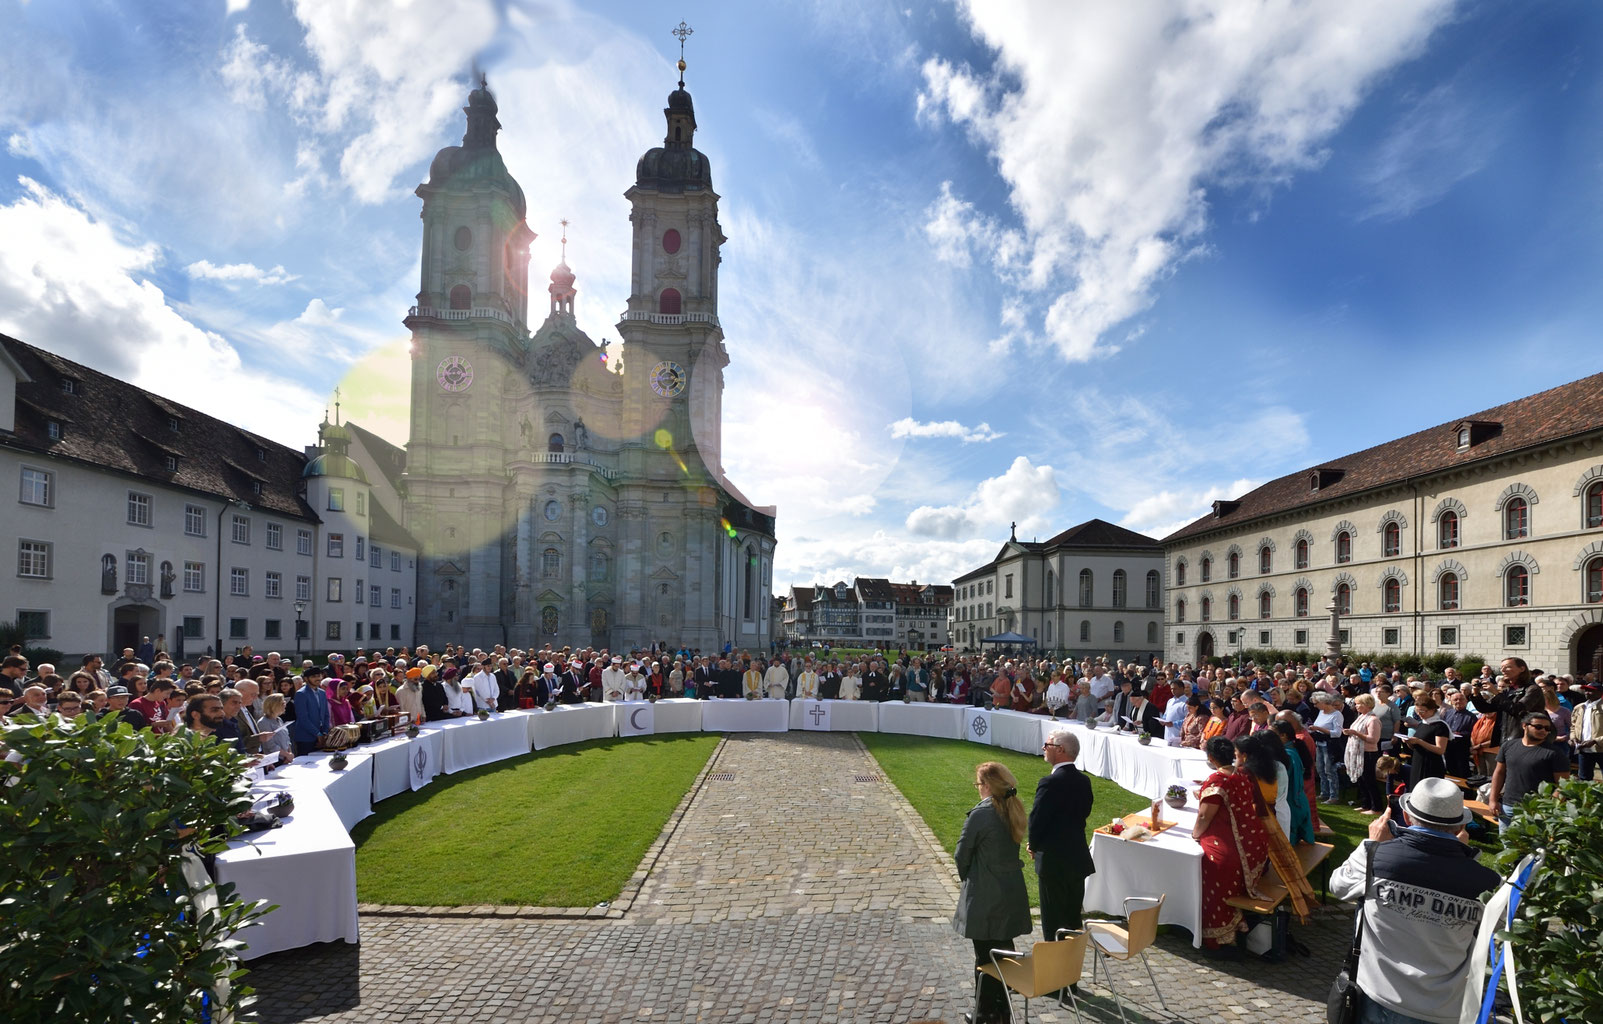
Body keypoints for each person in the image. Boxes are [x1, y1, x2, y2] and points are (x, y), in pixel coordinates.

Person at [1329, 779, 1501, 1024]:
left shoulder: (1375, 857)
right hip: (1442, 1008)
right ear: (1460, 826)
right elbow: (1498, 930)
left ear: (1407, 818)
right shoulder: (1486, 882)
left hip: (1376, 996)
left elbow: (1338, 886)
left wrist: (1370, 844)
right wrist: (1465, 861)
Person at [953, 761, 1033, 1024]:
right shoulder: (1012, 808)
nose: (978, 789)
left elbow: (961, 855)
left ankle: (984, 1014)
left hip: (987, 894)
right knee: (1002, 951)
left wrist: (971, 880)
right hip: (1010, 892)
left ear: (986, 785)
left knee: (986, 956)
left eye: (978, 784)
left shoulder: (983, 813)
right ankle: (1000, 1011)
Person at [1193, 737, 1270, 952]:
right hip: (1253, 846)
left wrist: (1195, 835)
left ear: (1210, 758)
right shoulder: (1242, 775)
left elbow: (1203, 818)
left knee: (1207, 868)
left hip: (1230, 851)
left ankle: (1218, 937)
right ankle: (1237, 923)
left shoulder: (1217, 780)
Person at [1029, 728, 1094, 958]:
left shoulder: (1049, 783)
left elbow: (1037, 820)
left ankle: (1056, 979)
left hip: (1054, 862)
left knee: (1054, 923)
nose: (1044, 749)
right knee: (1072, 920)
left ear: (1061, 750)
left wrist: (1033, 844)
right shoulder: (1084, 781)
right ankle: (1070, 975)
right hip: (1076, 858)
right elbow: (1082, 814)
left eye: (1047, 745)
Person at [1488, 711, 1571, 828]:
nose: (1543, 731)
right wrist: (1493, 799)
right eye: (1538, 727)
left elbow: (1563, 785)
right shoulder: (1508, 746)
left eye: (1547, 729)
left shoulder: (1555, 753)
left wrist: (1549, 808)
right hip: (1508, 806)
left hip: (1537, 810)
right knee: (1508, 844)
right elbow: (1499, 773)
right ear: (1524, 726)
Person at [1343, 694, 1384, 814]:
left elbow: (1373, 739)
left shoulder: (1373, 720)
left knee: (1369, 780)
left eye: (1359, 704)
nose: (1356, 706)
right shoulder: (1361, 717)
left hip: (1368, 753)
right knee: (1361, 780)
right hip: (1357, 752)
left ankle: (1376, 807)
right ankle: (1365, 804)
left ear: (1367, 705)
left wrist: (1355, 733)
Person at [1399, 696, 1449, 789]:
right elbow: (1415, 747)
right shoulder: (1422, 724)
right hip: (1418, 761)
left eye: (1422, 711)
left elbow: (1440, 750)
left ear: (1432, 710)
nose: (1419, 714)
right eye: (1418, 711)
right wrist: (1408, 742)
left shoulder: (1440, 726)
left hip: (1431, 764)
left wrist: (1419, 741)